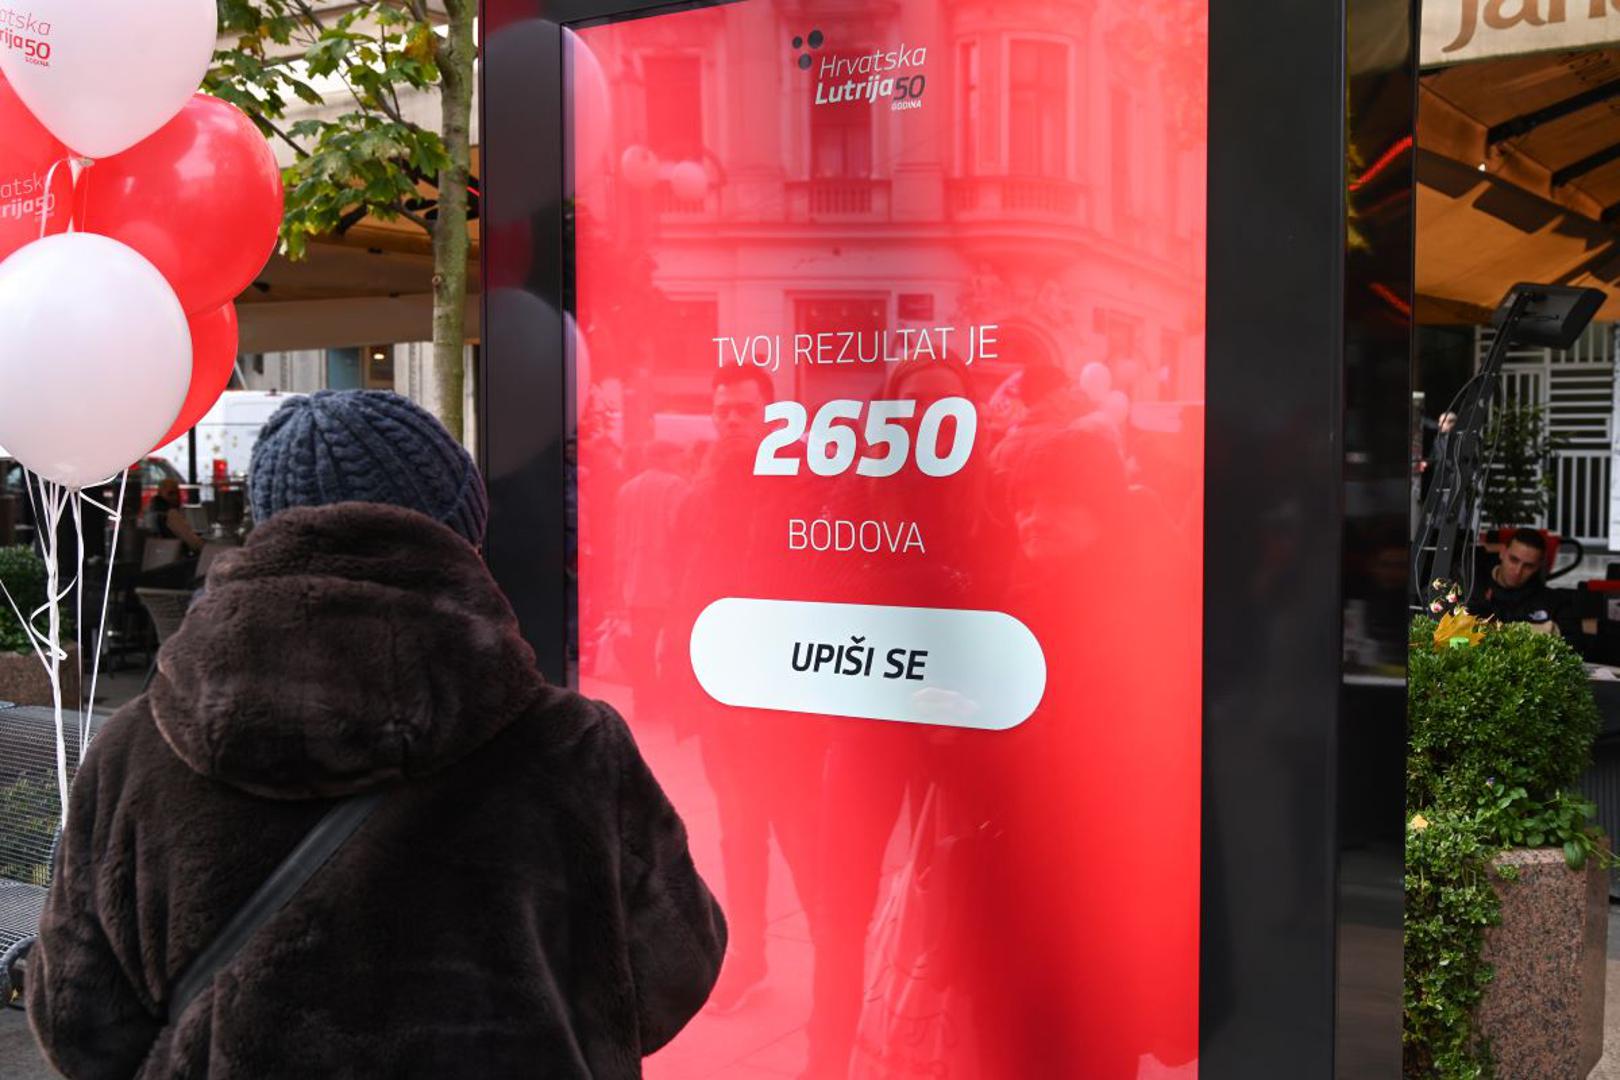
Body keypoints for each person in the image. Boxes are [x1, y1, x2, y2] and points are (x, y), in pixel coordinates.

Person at [27, 390, 726, 1078]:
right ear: (458, 536)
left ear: (270, 530)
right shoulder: (573, 749)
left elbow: (77, 1021)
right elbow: (674, 971)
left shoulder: (133, 754)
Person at [1467, 527, 1571, 628]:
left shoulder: (1548, 602)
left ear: (1538, 566)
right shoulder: (1471, 586)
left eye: (1528, 566)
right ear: (1502, 553)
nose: (1518, 571)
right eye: (1513, 560)